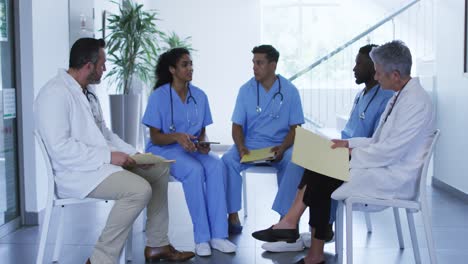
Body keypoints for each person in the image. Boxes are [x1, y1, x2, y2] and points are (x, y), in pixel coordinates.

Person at [253, 40, 435, 264]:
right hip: (383, 165)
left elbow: (389, 152)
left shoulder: (415, 102)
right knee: (320, 162)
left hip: (394, 177)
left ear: (395, 75)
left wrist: (348, 154)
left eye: (378, 73)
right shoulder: (401, 96)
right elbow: (377, 140)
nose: (376, 78)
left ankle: (299, 235)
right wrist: (347, 145)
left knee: (323, 170)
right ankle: (298, 233)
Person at [34, 38, 195, 264]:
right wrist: (109, 156)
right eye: (102, 64)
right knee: (138, 190)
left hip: (99, 166)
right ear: (88, 66)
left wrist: (135, 155)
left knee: (158, 169)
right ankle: (100, 259)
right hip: (75, 173)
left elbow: (105, 134)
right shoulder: (54, 94)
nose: (105, 69)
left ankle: (158, 245)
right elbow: (61, 149)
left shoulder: (86, 92)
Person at [142, 48, 236, 257]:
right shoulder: (159, 97)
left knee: (216, 165)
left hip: (192, 148)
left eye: (191, 64)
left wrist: (202, 143)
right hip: (163, 149)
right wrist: (177, 138)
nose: (190, 68)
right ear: (172, 69)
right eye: (185, 65)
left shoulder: (200, 96)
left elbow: (201, 131)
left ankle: (219, 235)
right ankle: (201, 237)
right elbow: (156, 136)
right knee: (194, 171)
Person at [222, 45, 306, 233]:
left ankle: (286, 218)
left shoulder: (290, 91)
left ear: (273, 65)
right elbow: (237, 126)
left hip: (281, 145)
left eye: (259, 63)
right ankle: (232, 215)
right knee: (227, 160)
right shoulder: (246, 90)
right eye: (253, 62)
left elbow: (296, 128)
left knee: (295, 160)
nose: (254, 67)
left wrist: (283, 148)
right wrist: (242, 147)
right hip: (251, 145)